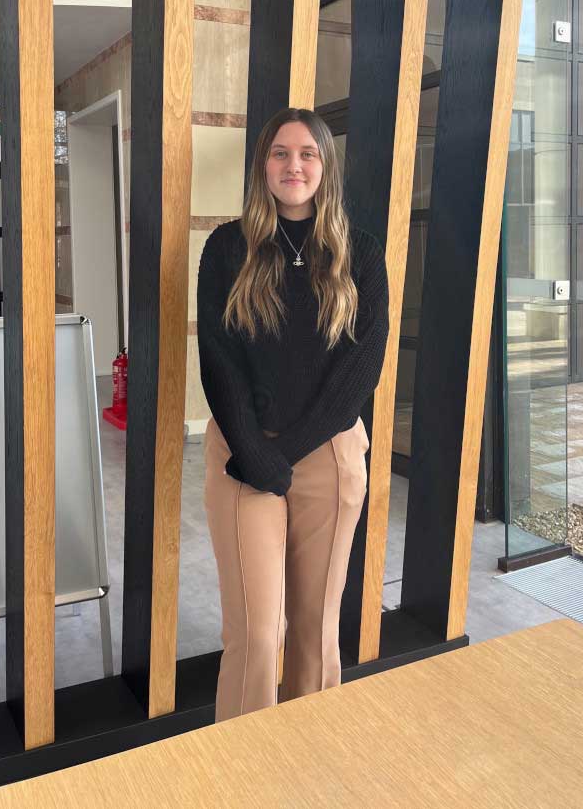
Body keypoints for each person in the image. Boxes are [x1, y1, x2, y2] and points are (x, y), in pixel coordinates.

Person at [196, 107, 389, 723]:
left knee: (314, 631)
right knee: (255, 636)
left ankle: (310, 767)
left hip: (327, 456)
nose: (293, 165)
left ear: (325, 167)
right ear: (263, 167)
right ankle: (240, 771)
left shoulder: (359, 253)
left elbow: (362, 367)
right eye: (280, 153)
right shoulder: (228, 248)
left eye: (307, 153)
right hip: (243, 457)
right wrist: (255, 454)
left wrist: (290, 450)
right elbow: (217, 358)